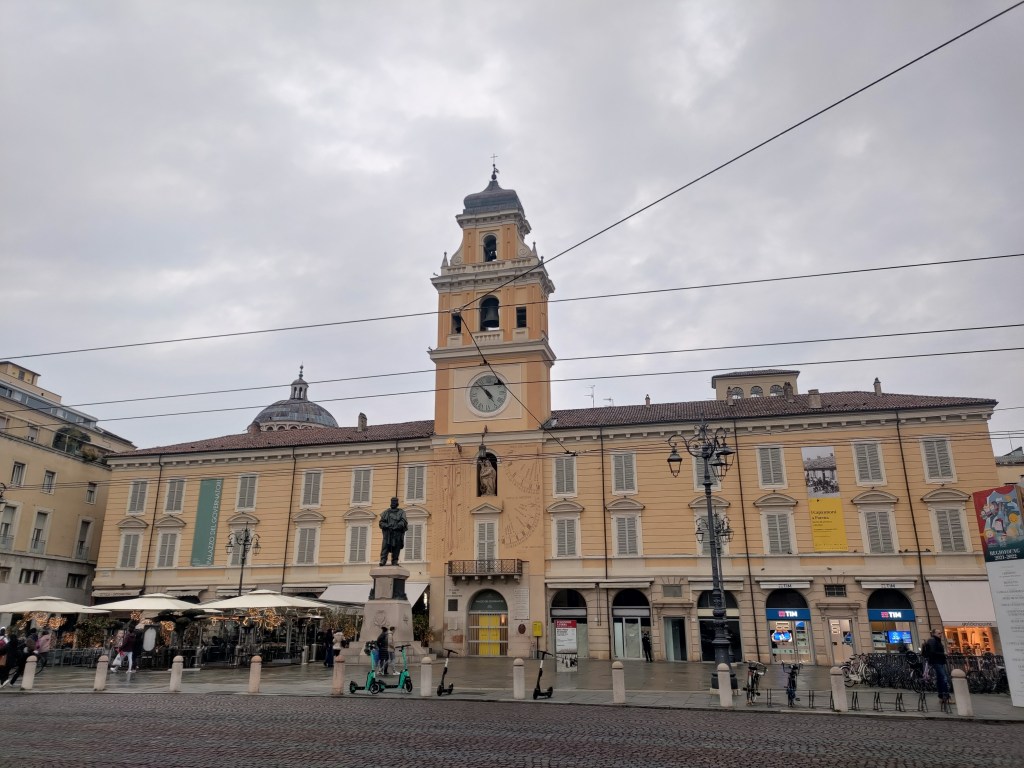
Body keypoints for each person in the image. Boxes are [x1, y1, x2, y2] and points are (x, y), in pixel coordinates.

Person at [922, 628, 951, 702]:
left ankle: (941, 696)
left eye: (940, 633)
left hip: (939, 661)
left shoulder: (936, 640)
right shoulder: (933, 641)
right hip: (936, 662)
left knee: (940, 679)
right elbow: (933, 652)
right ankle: (946, 696)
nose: (940, 634)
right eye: (938, 633)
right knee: (943, 678)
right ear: (934, 634)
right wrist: (943, 653)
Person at [378, 497, 408, 566]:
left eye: (394, 502)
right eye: (392, 502)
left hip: (397, 533)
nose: (393, 503)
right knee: (385, 547)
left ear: (397, 503)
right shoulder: (386, 512)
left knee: (396, 547)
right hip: (388, 533)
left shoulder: (401, 512)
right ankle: (383, 560)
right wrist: (387, 526)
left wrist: (397, 526)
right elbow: (381, 523)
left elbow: (403, 522)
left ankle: (395, 561)